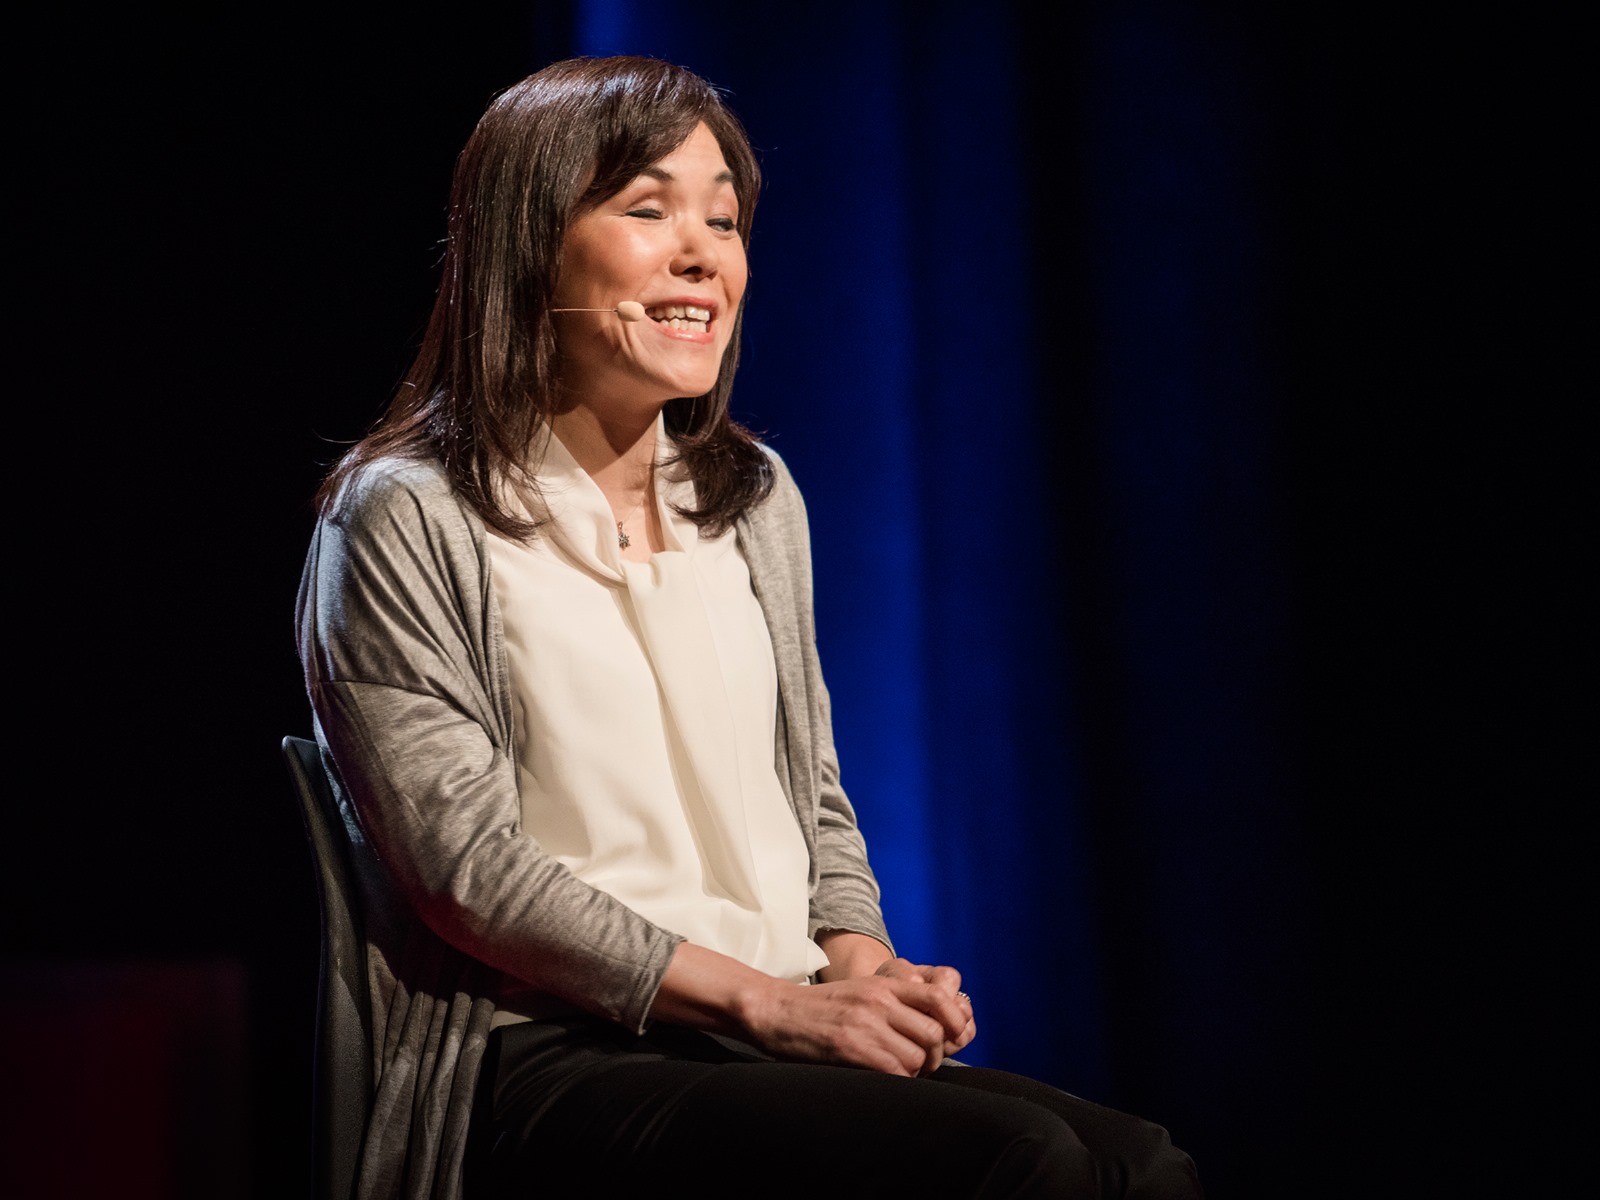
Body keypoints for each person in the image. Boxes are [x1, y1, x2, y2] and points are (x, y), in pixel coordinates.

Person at [296, 54, 1203, 1199]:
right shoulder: (410, 516)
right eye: (647, 209)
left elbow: (811, 798)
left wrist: (865, 967)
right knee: (1018, 1169)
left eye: (722, 219)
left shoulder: (754, 498)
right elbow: (465, 871)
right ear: (530, 243)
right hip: (547, 1052)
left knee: (1140, 1168)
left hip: (767, 1024)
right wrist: (766, 1004)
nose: (702, 254)